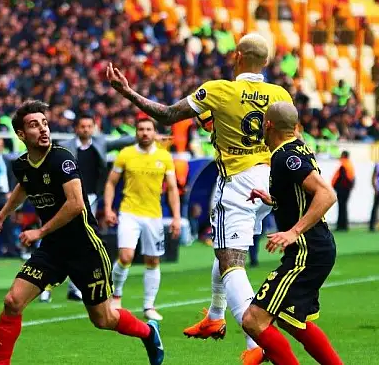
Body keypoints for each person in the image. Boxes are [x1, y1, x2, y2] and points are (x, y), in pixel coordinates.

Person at [108, 33, 293, 363]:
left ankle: (256, 343)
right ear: (266, 62)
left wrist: (127, 92)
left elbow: (167, 115)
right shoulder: (280, 94)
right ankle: (215, 315)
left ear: (237, 56)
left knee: (231, 263)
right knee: (225, 250)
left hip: (238, 183)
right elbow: (292, 137)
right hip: (269, 181)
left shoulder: (219, 89)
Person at [0, 101, 164, 365]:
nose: (43, 129)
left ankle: (149, 333)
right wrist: (0, 217)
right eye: (34, 125)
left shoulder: (62, 158)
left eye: (45, 123)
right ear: (21, 134)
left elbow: (76, 204)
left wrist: (39, 231)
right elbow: (24, 186)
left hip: (85, 249)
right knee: (12, 301)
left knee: (103, 319)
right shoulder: (21, 165)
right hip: (52, 250)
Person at [243, 102, 342, 365]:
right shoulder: (297, 147)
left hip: (307, 251)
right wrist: (274, 200)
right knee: (292, 320)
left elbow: (327, 194)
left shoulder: (286, 157)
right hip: (316, 247)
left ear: (268, 125)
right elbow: (302, 196)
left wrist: (293, 232)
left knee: (253, 320)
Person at [49, 113, 135, 302]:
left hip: (91, 199)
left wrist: (145, 136)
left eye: (89, 126)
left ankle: (73, 287)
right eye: (83, 126)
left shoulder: (100, 143)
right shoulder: (65, 147)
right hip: (69, 199)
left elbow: (121, 142)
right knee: (65, 240)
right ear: (76, 128)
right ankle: (48, 284)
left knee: (81, 241)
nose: (86, 130)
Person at [104, 118, 181, 321]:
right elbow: (111, 183)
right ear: (136, 132)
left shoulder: (164, 156)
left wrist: (176, 217)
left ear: (154, 133)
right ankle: (116, 297)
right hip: (129, 212)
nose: (144, 133)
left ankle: (148, 306)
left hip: (154, 215)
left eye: (148, 129)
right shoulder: (126, 154)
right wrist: (108, 208)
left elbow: (172, 189)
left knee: (153, 260)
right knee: (126, 256)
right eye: (141, 129)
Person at [331, 150, 354, 231]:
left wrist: (336, 187)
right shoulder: (349, 165)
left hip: (342, 189)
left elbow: (342, 178)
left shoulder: (344, 165)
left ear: (344, 156)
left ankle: (341, 226)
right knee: (344, 207)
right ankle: (344, 225)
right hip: (346, 189)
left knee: (341, 207)